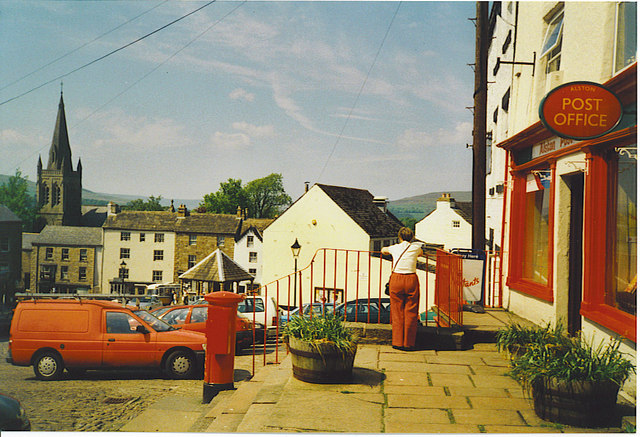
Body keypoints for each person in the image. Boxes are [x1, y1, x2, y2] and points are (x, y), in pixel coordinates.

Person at [381, 227, 424, 351]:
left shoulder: (394, 247)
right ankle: (408, 343)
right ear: (412, 237)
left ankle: (397, 342)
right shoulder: (416, 248)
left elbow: (384, 250)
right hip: (411, 278)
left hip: (396, 279)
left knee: (397, 310)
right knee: (411, 311)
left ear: (399, 237)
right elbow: (421, 253)